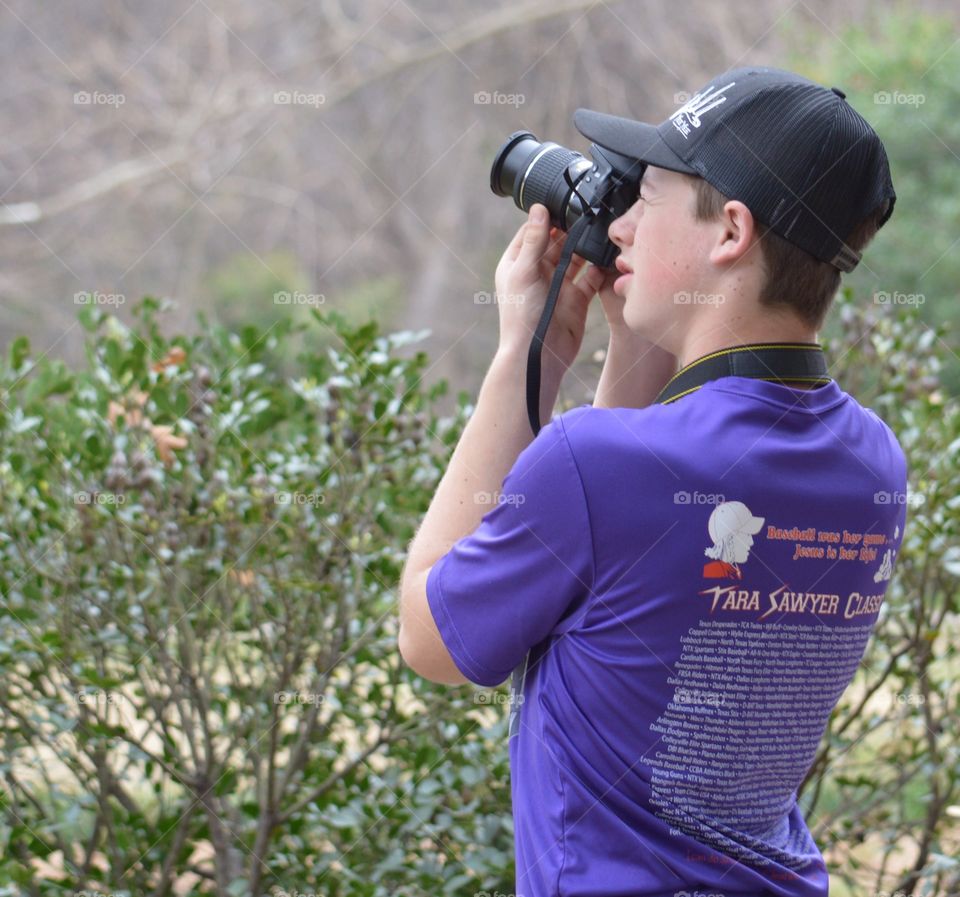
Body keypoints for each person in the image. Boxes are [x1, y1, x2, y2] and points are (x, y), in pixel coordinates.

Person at [398, 64, 907, 897]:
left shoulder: (600, 466)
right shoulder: (873, 463)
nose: (622, 224)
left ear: (730, 231)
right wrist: (637, 329)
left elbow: (434, 638)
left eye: (650, 196)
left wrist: (527, 353)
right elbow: (634, 549)